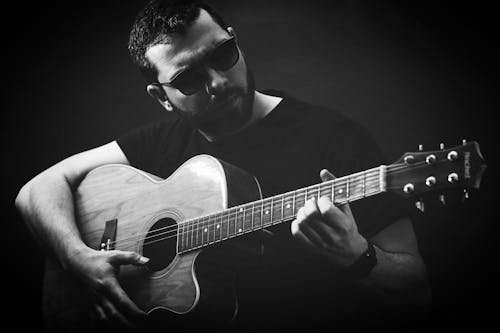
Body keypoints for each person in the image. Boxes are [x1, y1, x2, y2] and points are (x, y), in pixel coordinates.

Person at [15, 0, 430, 330]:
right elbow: (35, 190)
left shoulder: (335, 138)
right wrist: (77, 258)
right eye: (189, 80)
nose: (219, 82)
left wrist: (358, 257)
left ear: (237, 42)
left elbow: (418, 293)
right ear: (161, 96)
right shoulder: (160, 142)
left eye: (223, 54)